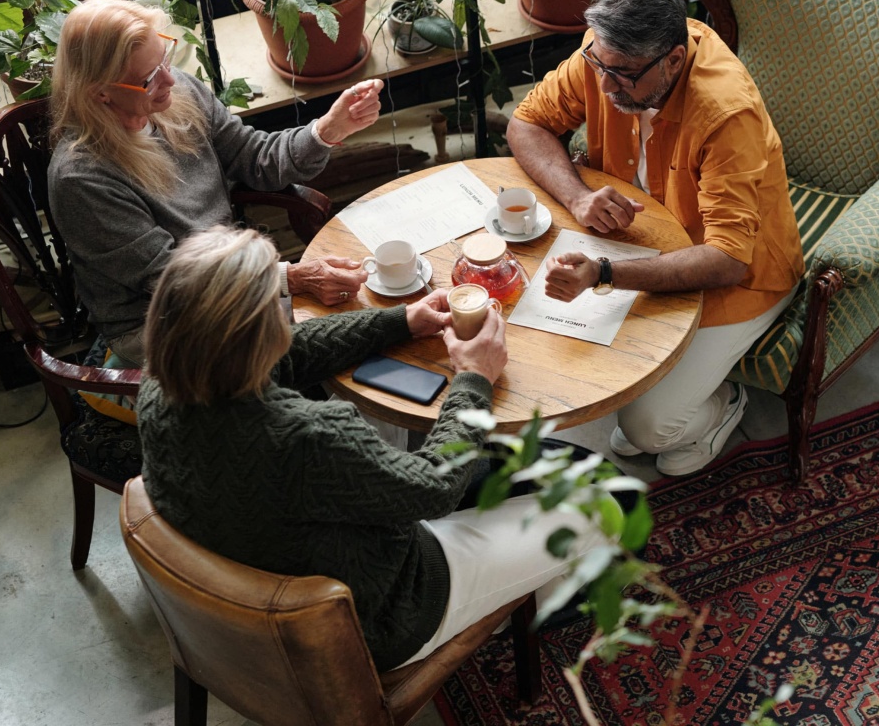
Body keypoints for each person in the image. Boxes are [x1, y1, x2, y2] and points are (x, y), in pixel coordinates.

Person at [136, 226, 607, 671]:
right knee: (602, 499)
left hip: (264, 584)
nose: (284, 320)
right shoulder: (308, 438)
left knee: (522, 466)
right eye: (275, 309)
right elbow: (434, 489)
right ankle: (519, 612)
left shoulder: (160, 389)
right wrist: (474, 380)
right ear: (259, 334)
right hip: (386, 613)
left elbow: (291, 349)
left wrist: (401, 320)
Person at [507, 0, 805, 477]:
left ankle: (725, 405)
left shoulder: (727, 113)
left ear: (672, 59)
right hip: (639, 244)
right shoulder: (607, 54)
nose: (603, 86)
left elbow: (728, 259)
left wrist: (604, 273)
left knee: (647, 433)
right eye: (599, 66)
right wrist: (579, 197)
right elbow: (526, 124)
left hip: (739, 274)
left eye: (622, 75)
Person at [48, 0, 377, 366]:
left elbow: (254, 158)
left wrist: (327, 130)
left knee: (360, 320)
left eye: (165, 58)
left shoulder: (177, 94)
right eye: (148, 78)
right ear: (100, 93)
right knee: (335, 345)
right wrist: (291, 279)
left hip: (233, 274)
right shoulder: (82, 178)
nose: (170, 79)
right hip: (159, 318)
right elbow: (170, 278)